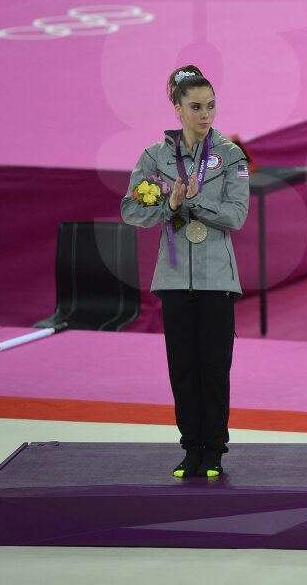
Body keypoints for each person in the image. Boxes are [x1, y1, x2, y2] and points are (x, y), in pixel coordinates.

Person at [120, 65, 250, 478]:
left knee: (214, 367)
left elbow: (237, 216)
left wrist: (196, 204)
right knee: (182, 368)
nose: (205, 114)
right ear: (176, 108)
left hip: (217, 280)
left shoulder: (230, 155)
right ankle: (189, 447)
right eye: (195, 106)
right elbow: (130, 210)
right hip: (173, 279)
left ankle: (213, 449)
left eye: (211, 105)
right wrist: (170, 206)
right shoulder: (155, 157)